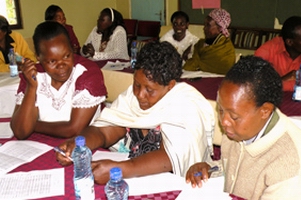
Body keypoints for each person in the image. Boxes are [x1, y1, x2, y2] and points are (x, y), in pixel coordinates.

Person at [56, 41, 215, 185]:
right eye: (136, 85)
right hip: (133, 174)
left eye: (149, 90)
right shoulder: (132, 97)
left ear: (170, 86)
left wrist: (120, 170)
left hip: (167, 182)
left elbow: (171, 158)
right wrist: (80, 144)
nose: (139, 94)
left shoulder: (185, 105)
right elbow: (106, 131)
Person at [185, 56, 301, 199]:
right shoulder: (240, 130)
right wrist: (210, 168)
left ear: (265, 110)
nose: (224, 122)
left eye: (234, 116)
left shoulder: (290, 170)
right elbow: (237, 166)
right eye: (221, 110)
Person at [10, 21, 107, 140]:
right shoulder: (34, 75)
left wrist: (31, 125)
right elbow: (20, 132)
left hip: (83, 146)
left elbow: (74, 130)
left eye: (67, 56)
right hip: (42, 144)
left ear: (72, 49)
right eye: (52, 61)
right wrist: (31, 87)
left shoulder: (87, 73)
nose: (62, 66)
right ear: (38, 58)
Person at [254, 16, 301, 91]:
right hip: (274, 99)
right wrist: (281, 81)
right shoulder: (269, 48)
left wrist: (276, 85)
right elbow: (252, 78)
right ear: (290, 42)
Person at [183, 8, 235, 74]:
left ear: (219, 28)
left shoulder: (225, 49)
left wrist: (191, 62)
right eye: (204, 24)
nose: (204, 28)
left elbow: (224, 67)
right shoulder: (200, 43)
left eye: (208, 25)